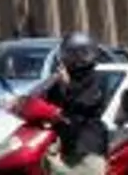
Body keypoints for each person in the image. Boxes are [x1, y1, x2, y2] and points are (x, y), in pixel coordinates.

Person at [40, 32, 110, 175]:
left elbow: (85, 104)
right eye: (70, 54)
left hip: (86, 140)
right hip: (61, 138)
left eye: (80, 54)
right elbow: (45, 100)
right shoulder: (61, 77)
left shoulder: (94, 79)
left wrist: (67, 85)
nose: (75, 58)